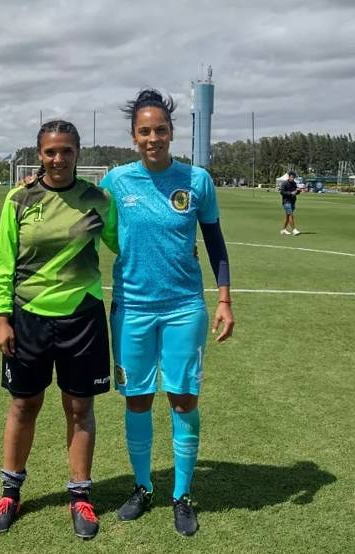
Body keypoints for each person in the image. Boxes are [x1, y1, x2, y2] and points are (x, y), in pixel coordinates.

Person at [100, 89, 234, 537]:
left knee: (182, 398)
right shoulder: (116, 181)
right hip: (131, 309)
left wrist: (225, 300)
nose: (152, 137)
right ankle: (142, 488)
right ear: (133, 136)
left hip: (183, 309)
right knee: (137, 399)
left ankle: (182, 494)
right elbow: (78, 210)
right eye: (144, 131)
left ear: (172, 132)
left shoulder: (197, 180)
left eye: (160, 129)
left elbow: (215, 243)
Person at [0, 120, 118, 539]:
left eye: (66, 151)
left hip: (82, 316)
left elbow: (125, 243)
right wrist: (2, 317)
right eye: (50, 152)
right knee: (24, 406)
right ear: (39, 154)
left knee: (80, 409)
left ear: (78, 153)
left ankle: (80, 495)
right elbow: (3, 262)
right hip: (28, 318)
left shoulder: (98, 200)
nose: (58, 159)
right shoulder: (19, 198)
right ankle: (10, 492)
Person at [279, 171, 301, 235]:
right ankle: (294, 230)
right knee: (291, 215)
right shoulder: (285, 183)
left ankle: (283, 229)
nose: (292, 178)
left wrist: (298, 191)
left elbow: (296, 192)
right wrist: (290, 193)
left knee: (288, 216)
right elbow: (282, 192)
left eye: (293, 177)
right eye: (291, 177)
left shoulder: (294, 183)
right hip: (286, 202)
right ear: (289, 177)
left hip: (293, 201)